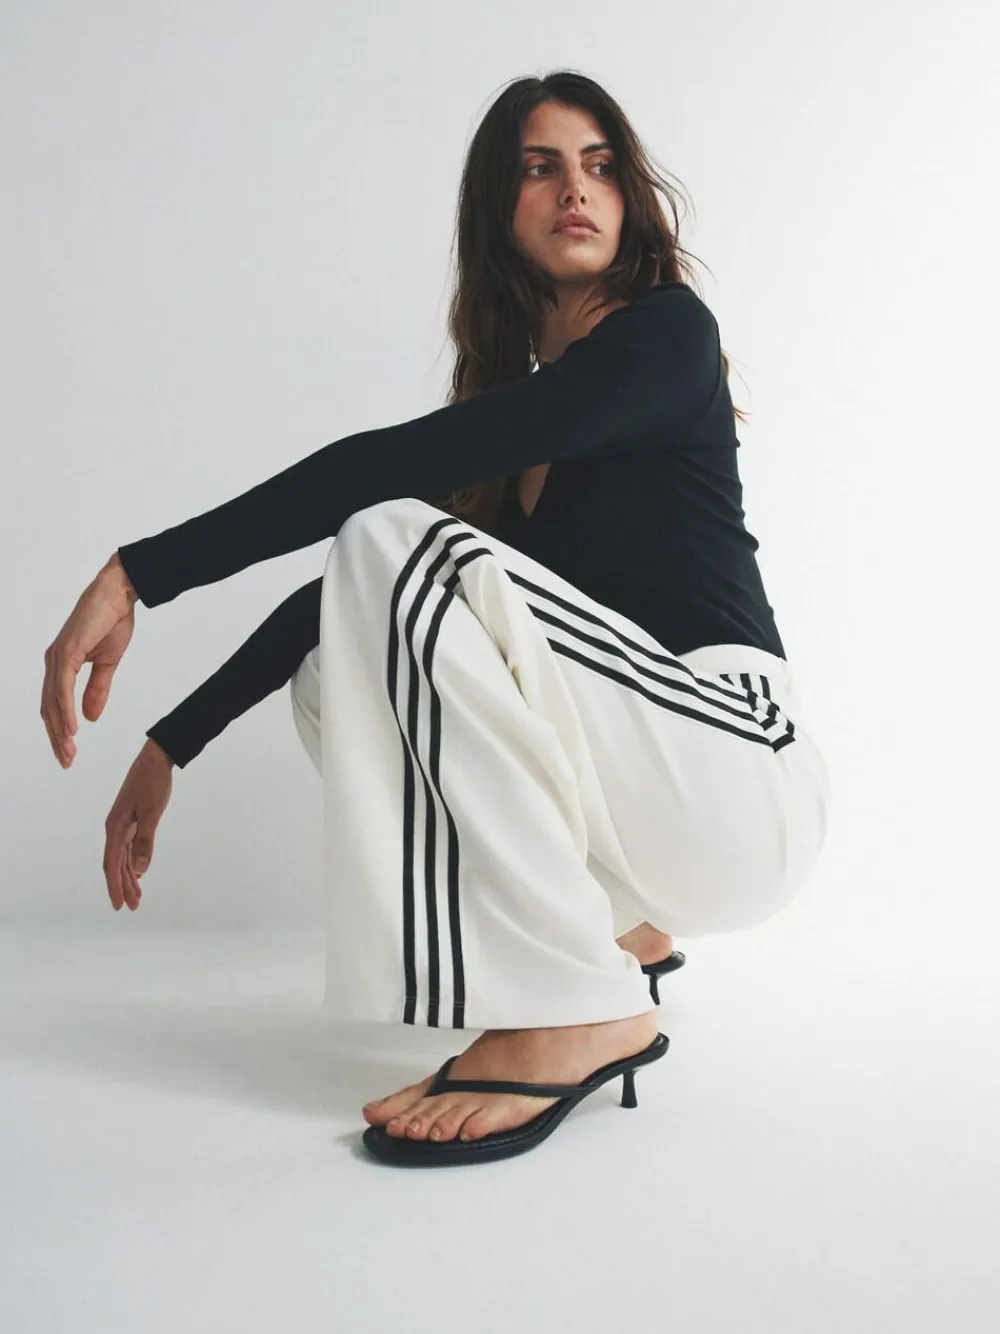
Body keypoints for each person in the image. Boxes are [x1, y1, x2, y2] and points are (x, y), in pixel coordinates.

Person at [40, 73, 832, 1166]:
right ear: (497, 208)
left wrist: (139, 573)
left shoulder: (667, 338)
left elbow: (381, 483)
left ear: (631, 199)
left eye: (600, 165)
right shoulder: (522, 426)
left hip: (739, 762)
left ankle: (573, 1008)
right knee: (345, 664)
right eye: (541, 167)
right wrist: (173, 741)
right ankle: (611, 933)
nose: (576, 188)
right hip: (664, 800)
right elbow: (340, 607)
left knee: (389, 537)